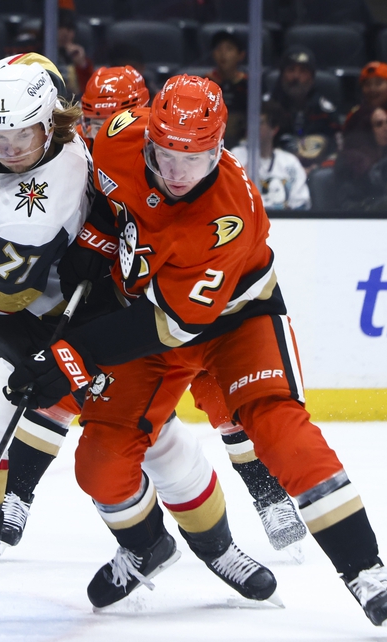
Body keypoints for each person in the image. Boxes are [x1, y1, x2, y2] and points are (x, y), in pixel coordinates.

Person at [13, 74, 387, 634]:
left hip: (233, 323)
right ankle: (147, 546)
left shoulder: (229, 215)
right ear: (149, 136)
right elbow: (108, 196)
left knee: (277, 426)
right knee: (100, 463)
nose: (178, 172)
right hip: (148, 314)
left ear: (219, 148)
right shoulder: (118, 136)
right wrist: (94, 245)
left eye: (195, 159)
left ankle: (364, 569)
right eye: (167, 155)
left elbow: (170, 325)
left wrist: (74, 352)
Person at [0, 55, 277, 625]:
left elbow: (4, 286)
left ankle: (213, 547)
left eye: (24, 135)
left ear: (50, 122)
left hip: (81, 315)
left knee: (151, 436)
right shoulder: (22, 92)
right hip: (15, 313)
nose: (10, 148)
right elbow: (16, 68)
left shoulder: (55, 190)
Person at [81, 67, 308, 552]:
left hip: (204, 311)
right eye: (91, 120)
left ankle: (268, 495)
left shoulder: (193, 170)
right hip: (148, 309)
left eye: (108, 118)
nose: (98, 129)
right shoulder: (110, 152)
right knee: (87, 405)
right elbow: (111, 210)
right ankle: (17, 496)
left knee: (228, 408)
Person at [266, 46, 340, 172]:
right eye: (291, 70)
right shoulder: (268, 107)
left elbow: (336, 150)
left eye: (303, 71)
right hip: (274, 169)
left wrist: (316, 168)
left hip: (315, 170)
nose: (296, 76)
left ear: (312, 76)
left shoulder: (325, 111)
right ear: (282, 75)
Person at [231, 100, 311, 210]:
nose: (253, 127)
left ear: (274, 130)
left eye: (260, 123)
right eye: (251, 122)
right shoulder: (235, 157)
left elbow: (300, 204)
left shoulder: (290, 162)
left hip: (284, 220)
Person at [205, 29, 248, 149]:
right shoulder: (205, 82)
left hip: (243, 145)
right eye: (219, 49)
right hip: (209, 143)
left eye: (229, 49)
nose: (223, 54)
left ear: (241, 55)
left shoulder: (248, 84)